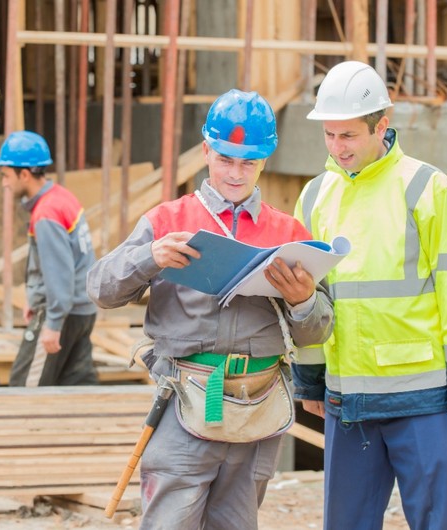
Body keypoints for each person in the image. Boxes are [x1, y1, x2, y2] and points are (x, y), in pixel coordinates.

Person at [87, 89, 334, 530]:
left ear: (265, 160)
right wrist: (150, 257)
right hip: (186, 400)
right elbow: (100, 289)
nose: (236, 173)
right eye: (225, 159)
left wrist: (302, 301)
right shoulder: (167, 222)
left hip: (258, 407)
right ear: (205, 151)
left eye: (248, 162)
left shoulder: (289, 233)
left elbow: (317, 332)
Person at [293, 60, 447, 530]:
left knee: (435, 522)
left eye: (349, 136)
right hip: (348, 399)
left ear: (382, 125)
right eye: (329, 136)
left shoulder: (428, 189)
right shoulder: (315, 196)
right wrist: (311, 377)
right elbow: (310, 298)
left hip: (424, 400)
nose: (338, 148)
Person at [0, 130, 98, 387]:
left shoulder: (46, 213)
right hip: (83, 310)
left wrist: (52, 322)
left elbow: (59, 274)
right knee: (76, 387)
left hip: (64, 312)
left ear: (24, 174)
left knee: (25, 388)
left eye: (6, 175)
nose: (4, 183)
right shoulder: (62, 198)